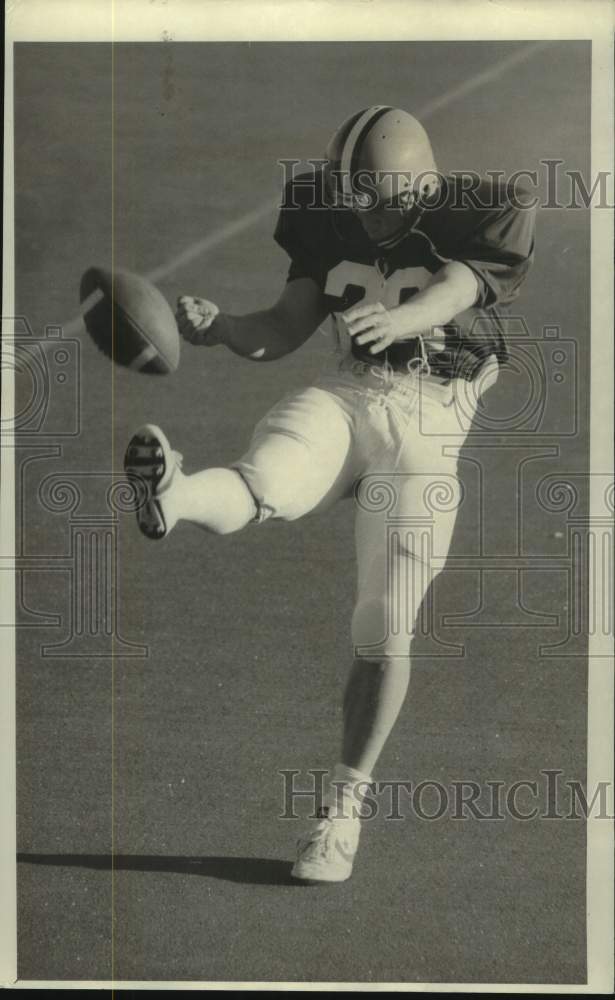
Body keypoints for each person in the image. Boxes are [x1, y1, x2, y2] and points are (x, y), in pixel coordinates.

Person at [124, 106, 536, 882]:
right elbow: (284, 325)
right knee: (265, 480)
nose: (364, 216)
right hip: (349, 392)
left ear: (421, 187)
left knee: (382, 627)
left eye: (379, 200)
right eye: (354, 200)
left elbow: (452, 290)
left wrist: (401, 317)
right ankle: (172, 494)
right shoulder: (326, 206)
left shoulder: (485, 208)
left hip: (431, 423)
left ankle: (341, 812)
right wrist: (220, 330)